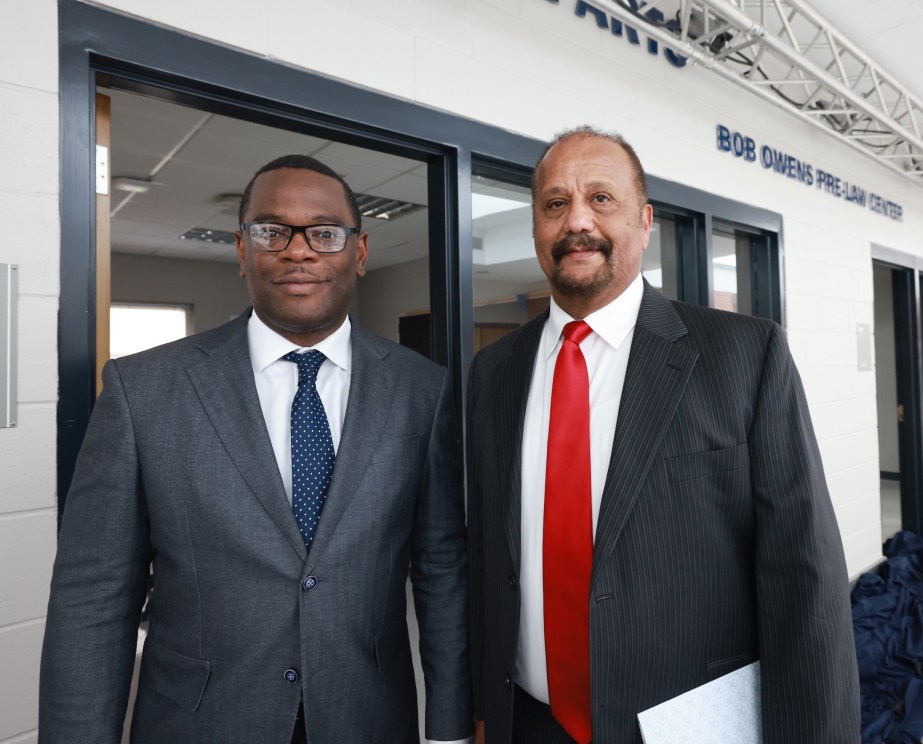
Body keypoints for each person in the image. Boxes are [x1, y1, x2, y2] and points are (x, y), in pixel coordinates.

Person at [40, 155, 473, 744]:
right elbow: (94, 596)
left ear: (360, 252)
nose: (299, 252)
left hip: (366, 716)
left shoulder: (423, 389)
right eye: (272, 231)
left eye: (325, 233)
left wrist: (447, 727)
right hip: (200, 722)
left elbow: (442, 569)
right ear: (242, 251)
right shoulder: (142, 390)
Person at [466, 127, 860, 744]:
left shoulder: (744, 355)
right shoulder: (493, 371)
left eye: (602, 198)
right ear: (536, 226)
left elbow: (803, 574)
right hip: (531, 722)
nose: (577, 221)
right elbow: (488, 554)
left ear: (645, 222)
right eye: (554, 203)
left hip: (684, 724)